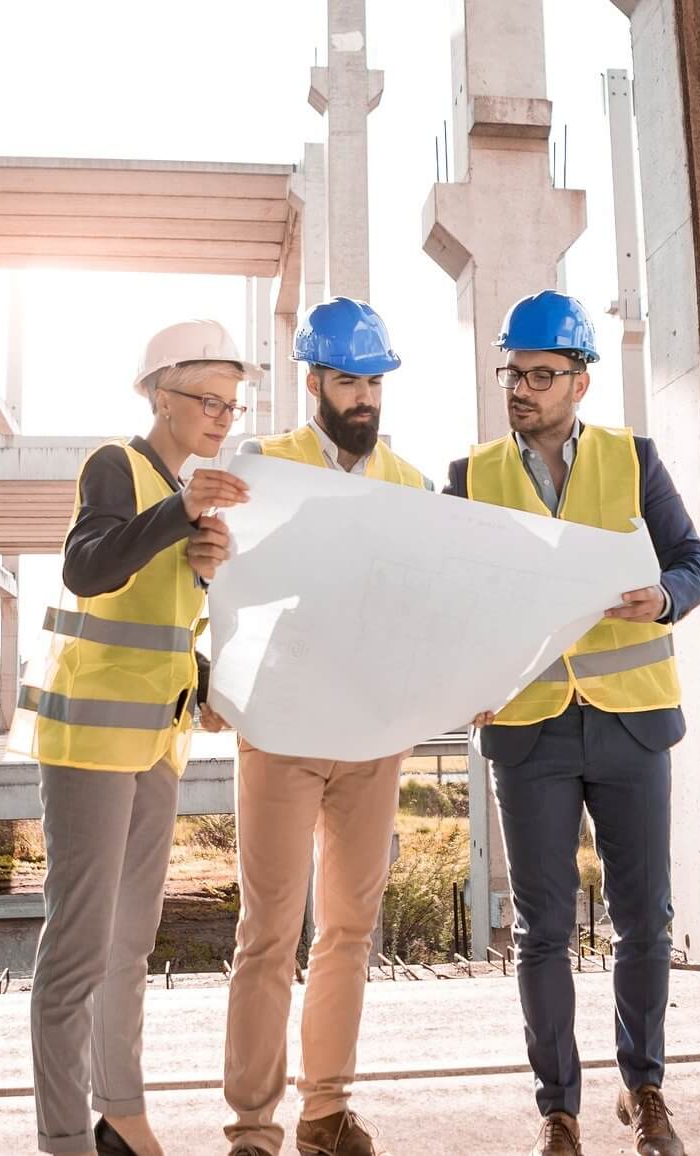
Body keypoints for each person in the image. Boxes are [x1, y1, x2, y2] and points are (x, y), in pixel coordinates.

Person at [444, 290, 700, 1156]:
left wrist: (664, 597)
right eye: (512, 373)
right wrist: (463, 680)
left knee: (646, 920)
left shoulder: (633, 460)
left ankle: (645, 1091)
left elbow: (696, 562)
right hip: (528, 731)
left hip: (630, 724)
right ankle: (557, 1110)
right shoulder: (471, 475)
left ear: (580, 381)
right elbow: (448, 599)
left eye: (540, 374)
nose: (520, 388)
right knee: (544, 931)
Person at [9, 319, 255, 1156]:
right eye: (206, 399)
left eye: (232, 403)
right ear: (159, 393)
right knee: (78, 945)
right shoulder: (116, 464)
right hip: (89, 742)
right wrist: (178, 514)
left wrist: (211, 666)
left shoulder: (190, 490)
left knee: (129, 940)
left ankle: (121, 1110)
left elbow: (165, 624)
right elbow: (87, 567)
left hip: (156, 742)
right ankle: (63, 1137)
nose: (222, 415)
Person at [219, 298, 434, 1156]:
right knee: (267, 931)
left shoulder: (413, 486)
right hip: (280, 727)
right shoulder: (263, 466)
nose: (365, 398)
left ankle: (325, 1112)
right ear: (314, 381)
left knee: (348, 929)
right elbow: (221, 582)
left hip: (372, 734)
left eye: (375, 382)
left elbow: (428, 607)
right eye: (348, 379)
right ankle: (252, 1128)